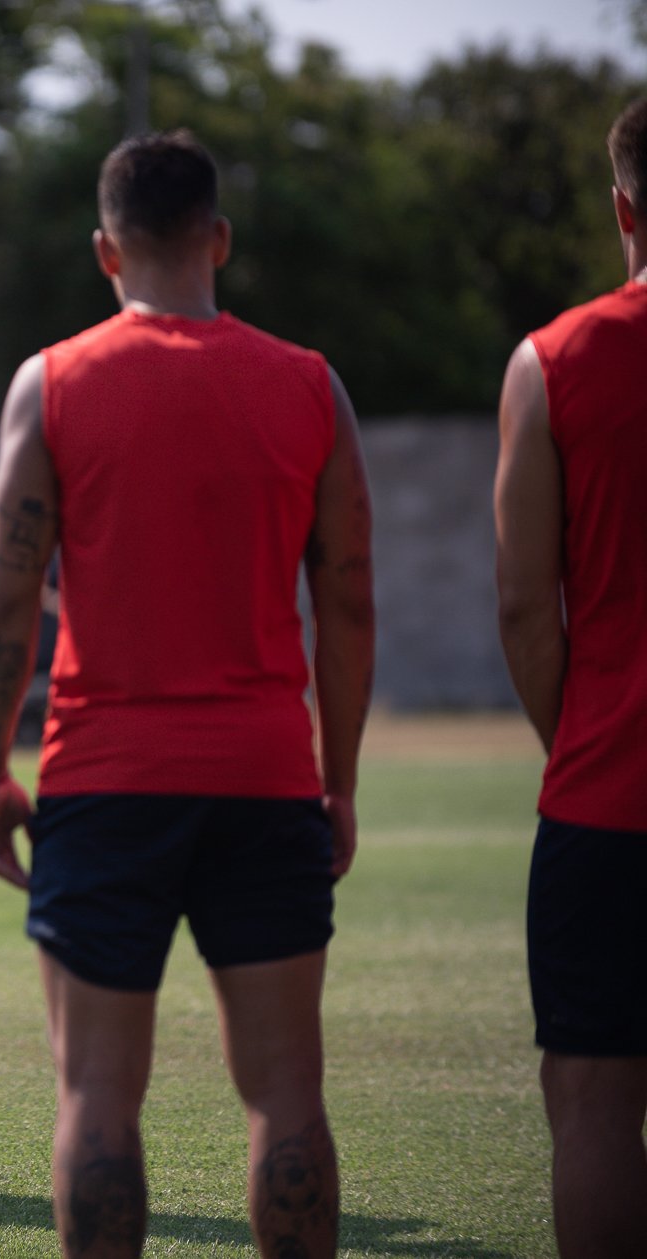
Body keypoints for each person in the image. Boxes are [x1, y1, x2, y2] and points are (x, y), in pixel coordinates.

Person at [0, 130, 374, 1259]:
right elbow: (348, 604)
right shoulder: (310, 385)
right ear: (220, 239)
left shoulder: (50, 383)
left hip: (104, 785)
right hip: (265, 779)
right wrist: (334, 782)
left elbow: (4, 603)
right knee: (286, 1096)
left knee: (96, 1096)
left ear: (105, 250)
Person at [494, 97, 647, 1259]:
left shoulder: (555, 360)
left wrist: (584, 736)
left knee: (593, 1102)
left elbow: (521, 606)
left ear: (620, 207)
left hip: (610, 794)